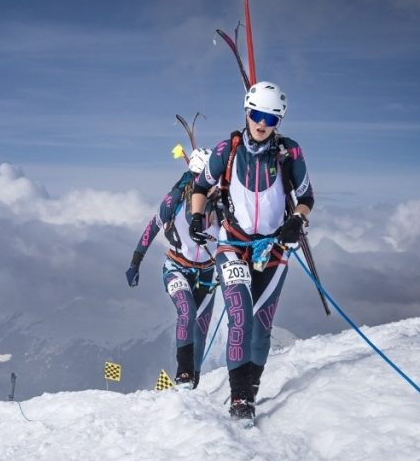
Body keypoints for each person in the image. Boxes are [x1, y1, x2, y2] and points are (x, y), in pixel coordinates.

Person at [188, 81, 314, 421]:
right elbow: (201, 187)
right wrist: (197, 217)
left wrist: (296, 222)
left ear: (279, 122)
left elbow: (306, 199)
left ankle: (252, 385)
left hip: (274, 249)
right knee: (240, 317)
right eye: (257, 115)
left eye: (271, 119)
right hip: (232, 244)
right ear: (246, 112)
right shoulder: (224, 151)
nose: (262, 123)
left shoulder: (290, 153)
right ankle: (240, 399)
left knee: (262, 327)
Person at [126, 147, 220, 389]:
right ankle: (183, 375)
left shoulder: (222, 203)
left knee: (200, 329)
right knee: (187, 313)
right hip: (176, 266)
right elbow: (153, 227)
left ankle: (193, 382)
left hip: (208, 272)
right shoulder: (174, 200)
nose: (212, 185)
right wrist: (136, 261)